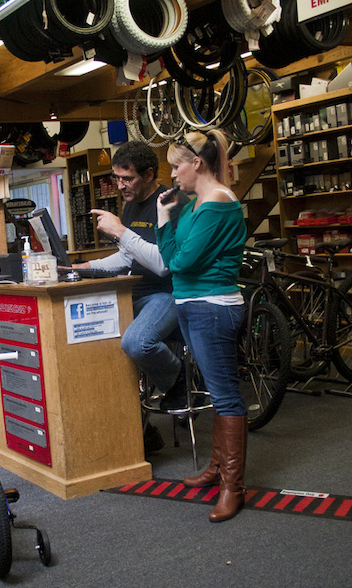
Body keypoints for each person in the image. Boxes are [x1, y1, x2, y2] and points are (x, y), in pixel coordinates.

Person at [156, 130, 247, 522]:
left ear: (198, 163)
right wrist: (170, 219)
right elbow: (177, 258)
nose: (173, 174)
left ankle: (233, 486)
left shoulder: (216, 207)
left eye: (177, 166)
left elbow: (178, 262)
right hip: (194, 305)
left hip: (213, 307)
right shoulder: (195, 205)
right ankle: (217, 468)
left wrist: (163, 222)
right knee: (214, 389)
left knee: (225, 396)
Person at [75, 141, 190, 451]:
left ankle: (180, 378)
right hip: (134, 292)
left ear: (149, 174)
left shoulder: (172, 202)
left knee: (135, 343)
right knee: (98, 347)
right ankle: (143, 429)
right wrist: (84, 267)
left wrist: (121, 231)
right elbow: (127, 258)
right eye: (117, 178)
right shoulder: (131, 203)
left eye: (127, 179)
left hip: (167, 293)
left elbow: (164, 264)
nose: (120, 185)